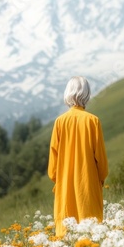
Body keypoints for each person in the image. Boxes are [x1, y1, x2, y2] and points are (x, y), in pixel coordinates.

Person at [48, 76, 108, 237]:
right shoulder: (93, 121)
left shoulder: (59, 122)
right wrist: (99, 180)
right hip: (89, 187)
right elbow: (101, 163)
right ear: (87, 94)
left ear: (68, 94)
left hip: (65, 188)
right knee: (91, 235)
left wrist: (60, 181)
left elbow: (52, 168)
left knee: (67, 235)